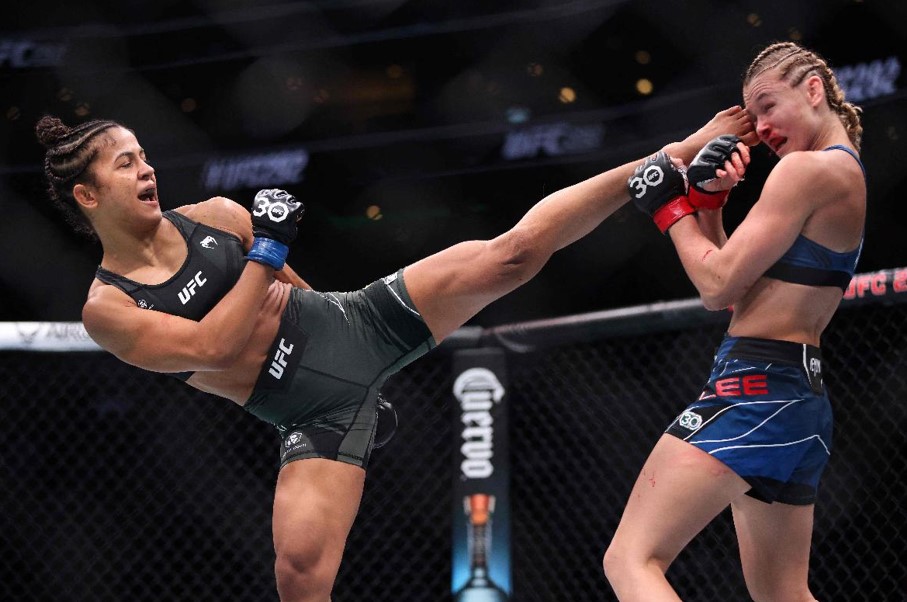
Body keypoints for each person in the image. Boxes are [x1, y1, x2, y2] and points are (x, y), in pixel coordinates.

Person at [35, 104, 754, 602]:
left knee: (509, 255)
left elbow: (295, 293)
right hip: (307, 414)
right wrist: (270, 249)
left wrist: (345, 335)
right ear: (87, 194)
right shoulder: (110, 309)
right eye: (125, 164)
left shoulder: (217, 219)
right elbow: (213, 345)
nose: (145, 169)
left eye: (143, 156)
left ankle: (669, 156)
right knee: (299, 575)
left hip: (351, 325)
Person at [603, 41, 866, 601]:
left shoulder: (806, 171)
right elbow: (734, 293)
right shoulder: (839, 174)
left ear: (813, 89)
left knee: (631, 558)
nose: (762, 127)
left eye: (768, 106)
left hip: (756, 387)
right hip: (796, 396)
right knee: (783, 595)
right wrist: (712, 202)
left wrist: (670, 207)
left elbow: (715, 284)